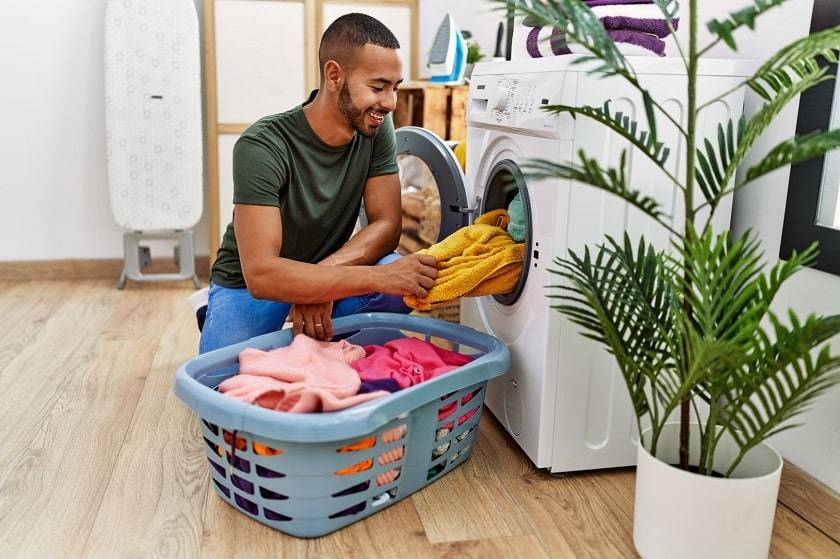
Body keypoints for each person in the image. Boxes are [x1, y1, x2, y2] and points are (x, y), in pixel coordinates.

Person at [199, 13, 437, 354]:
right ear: (334, 75)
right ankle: (213, 312)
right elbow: (262, 274)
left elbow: (387, 225)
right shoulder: (262, 145)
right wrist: (358, 280)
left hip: (331, 271)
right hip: (251, 286)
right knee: (219, 389)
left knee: (397, 280)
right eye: (378, 86)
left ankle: (318, 344)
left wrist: (320, 285)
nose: (390, 103)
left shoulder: (375, 126)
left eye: (395, 87)